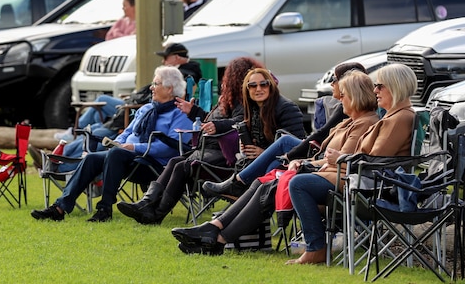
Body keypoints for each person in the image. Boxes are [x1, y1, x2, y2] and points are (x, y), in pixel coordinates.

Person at [171, 70, 380, 255]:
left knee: (275, 173)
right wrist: (302, 162)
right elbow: (325, 153)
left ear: (355, 96)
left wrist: (302, 163)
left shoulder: (361, 123)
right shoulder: (347, 121)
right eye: (252, 85)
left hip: (333, 179)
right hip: (318, 170)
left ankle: (218, 233)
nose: (339, 99)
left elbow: (340, 159)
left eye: (343, 95)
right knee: (263, 181)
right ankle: (215, 230)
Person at [285, 63, 418, 264]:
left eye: (380, 86)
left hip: (370, 184)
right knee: (298, 181)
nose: (375, 91)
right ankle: (317, 244)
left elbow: (375, 161)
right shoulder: (393, 117)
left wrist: (340, 158)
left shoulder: (399, 119)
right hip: (362, 178)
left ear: (395, 86)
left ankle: (316, 248)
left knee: (299, 184)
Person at [31, 66, 193, 223]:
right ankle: (59, 208)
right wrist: (118, 143)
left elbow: (171, 146)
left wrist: (134, 148)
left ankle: (105, 209)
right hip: (126, 157)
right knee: (92, 158)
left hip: (153, 165)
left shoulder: (181, 114)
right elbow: (128, 132)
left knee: (116, 154)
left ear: (169, 89)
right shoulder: (147, 109)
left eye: (156, 84)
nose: (151, 87)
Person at [115, 57, 264, 224]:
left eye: (227, 77)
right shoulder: (229, 100)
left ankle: (156, 214)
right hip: (209, 148)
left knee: (182, 166)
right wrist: (193, 111)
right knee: (174, 162)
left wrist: (217, 125)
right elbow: (210, 121)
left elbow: (239, 121)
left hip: (225, 154)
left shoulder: (243, 102)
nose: (224, 82)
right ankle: (146, 204)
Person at [201, 62, 367, 199]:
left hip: (318, 157)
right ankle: (247, 207)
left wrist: (286, 155)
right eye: (252, 85)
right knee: (274, 164)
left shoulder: (286, 107)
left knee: (284, 143)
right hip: (313, 156)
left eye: (335, 79)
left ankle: (239, 185)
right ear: (246, 89)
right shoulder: (251, 109)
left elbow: (317, 135)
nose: (331, 84)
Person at [36, 43, 204, 168]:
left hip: (133, 115)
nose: (163, 61)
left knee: (98, 124)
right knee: (94, 128)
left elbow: (166, 145)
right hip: (136, 111)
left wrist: (126, 143)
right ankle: (59, 155)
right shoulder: (160, 88)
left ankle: (60, 157)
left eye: (166, 57)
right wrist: (118, 141)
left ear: (176, 58)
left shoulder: (185, 73)